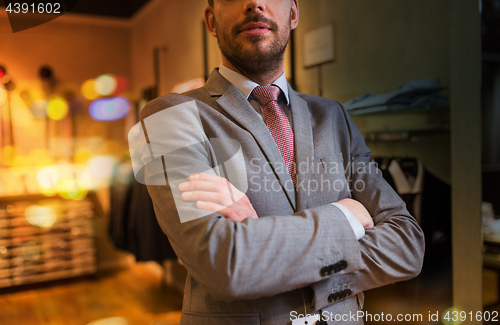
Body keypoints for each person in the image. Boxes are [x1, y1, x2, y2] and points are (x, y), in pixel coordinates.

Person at [138, 0, 425, 324]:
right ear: (211, 21)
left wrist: (260, 240)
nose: (254, 3)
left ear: (293, 13)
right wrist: (346, 217)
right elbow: (226, 263)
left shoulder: (334, 116)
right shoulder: (167, 117)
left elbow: (407, 245)